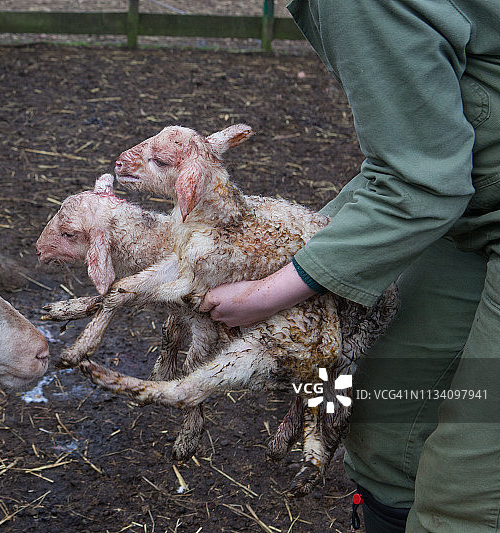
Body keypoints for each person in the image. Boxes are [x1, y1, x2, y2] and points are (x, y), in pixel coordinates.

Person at [198, 1, 500, 531]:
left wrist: (267, 293)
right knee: (383, 407)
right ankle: (382, 510)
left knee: (466, 490)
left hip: (450, 194)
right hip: (473, 198)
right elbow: (417, 153)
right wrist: (301, 249)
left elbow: (419, 184)